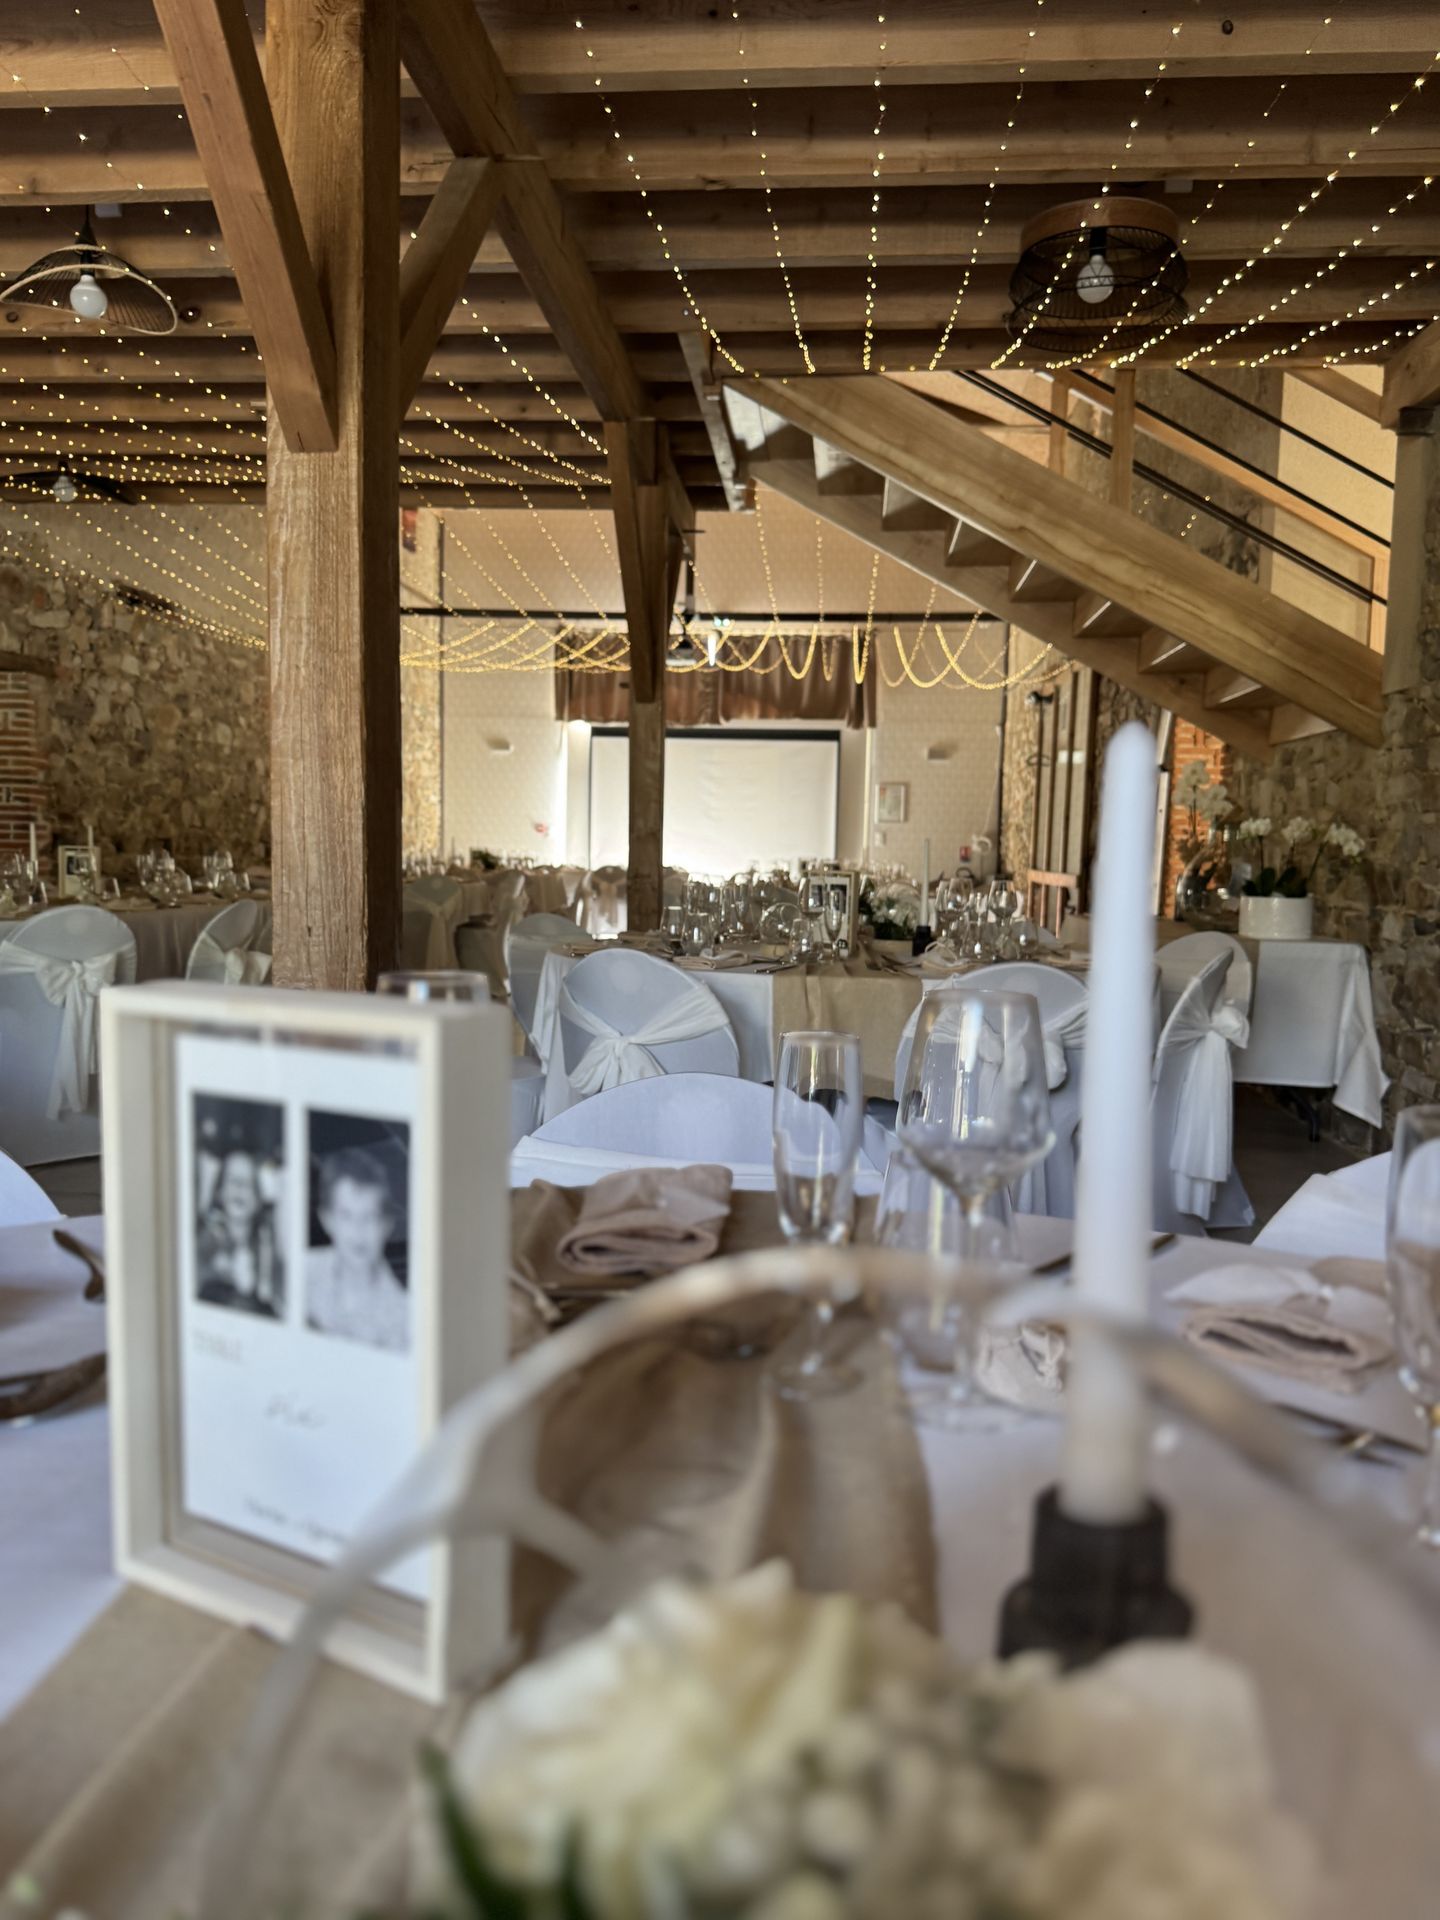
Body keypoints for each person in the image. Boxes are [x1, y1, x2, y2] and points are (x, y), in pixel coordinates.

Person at [305, 1144, 408, 1352]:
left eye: (369, 1217)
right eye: (347, 1216)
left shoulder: (404, 1315)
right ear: (327, 1219)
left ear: (386, 1225)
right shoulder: (303, 1272)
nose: (358, 1231)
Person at [196, 1149, 282, 1316]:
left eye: (248, 1183)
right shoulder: (208, 1239)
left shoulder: (266, 1246)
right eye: (232, 1180)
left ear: (258, 1199)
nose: (240, 1188)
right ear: (219, 1191)